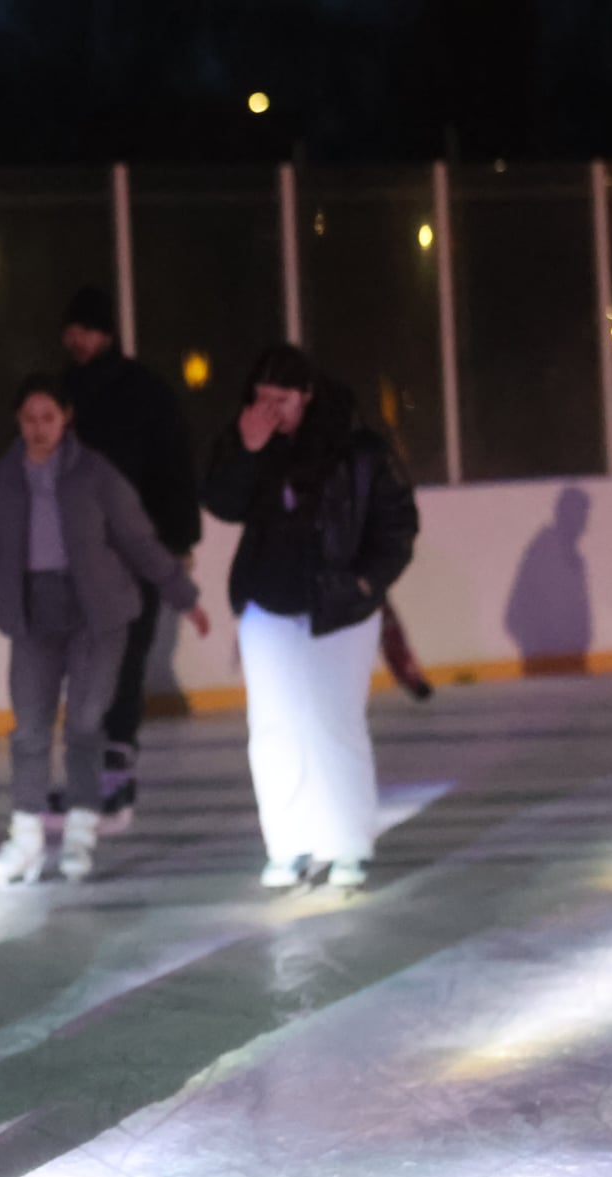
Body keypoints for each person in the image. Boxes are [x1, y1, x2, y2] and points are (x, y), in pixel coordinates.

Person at [0, 375, 208, 885]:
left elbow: (139, 541)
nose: (39, 427)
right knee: (29, 729)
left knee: (86, 726)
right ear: (18, 421)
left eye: (48, 417)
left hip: (97, 616)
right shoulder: (1, 482)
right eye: (30, 418)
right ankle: (25, 841)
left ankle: (80, 834)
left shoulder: (95, 474)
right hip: (33, 616)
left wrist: (184, 595)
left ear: (65, 417)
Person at [201, 344, 418, 890]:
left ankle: (349, 843)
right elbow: (221, 503)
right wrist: (246, 450)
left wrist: (366, 581)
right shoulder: (250, 440)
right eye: (261, 400)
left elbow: (398, 524)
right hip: (267, 605)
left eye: (282, 400)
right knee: (273, 728)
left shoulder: (359, 449)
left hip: (341, 607)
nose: (271, 411)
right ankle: (288, 843)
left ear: (308, 395)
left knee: (333, 723)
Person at [61, 286, 201, 825]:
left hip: (137, 546)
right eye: (72, 329)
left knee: (126, 654)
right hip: (80, 552)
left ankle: (116, 762)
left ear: (106, 332)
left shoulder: (145, 393)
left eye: (85, 329)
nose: (76, 339)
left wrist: (178, 542)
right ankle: (93, 762)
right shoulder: (64, 393)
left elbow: (174, 467)